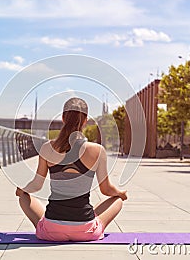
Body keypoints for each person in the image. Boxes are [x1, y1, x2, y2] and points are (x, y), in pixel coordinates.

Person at [15, 97, 127, 241]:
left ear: (63, 118)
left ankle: (50, 226)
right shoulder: (97, 150)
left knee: (24, 197)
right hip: (84, 231)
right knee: (117, 200)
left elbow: (36, 185)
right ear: (86, 120)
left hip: (52, 231)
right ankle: (84, 225)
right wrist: (121, 193)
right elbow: (106, 190)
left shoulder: (47, 148)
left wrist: (22, 189)